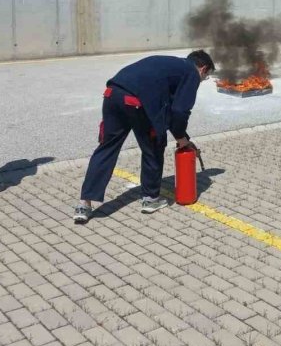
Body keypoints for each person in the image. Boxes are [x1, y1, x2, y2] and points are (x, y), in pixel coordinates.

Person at [74, 50, 216, 223]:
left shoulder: (170, 65)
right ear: (203, 68)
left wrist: (182, 136)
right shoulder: (191, 73)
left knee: (107, 148)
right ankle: (150, 199)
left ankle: (84, 205)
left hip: (112, 94)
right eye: (206, 76)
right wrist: (181, 138)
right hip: (136, 103)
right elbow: (179, 111)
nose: (202, 80)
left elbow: (170, 110)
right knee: (154, 146)